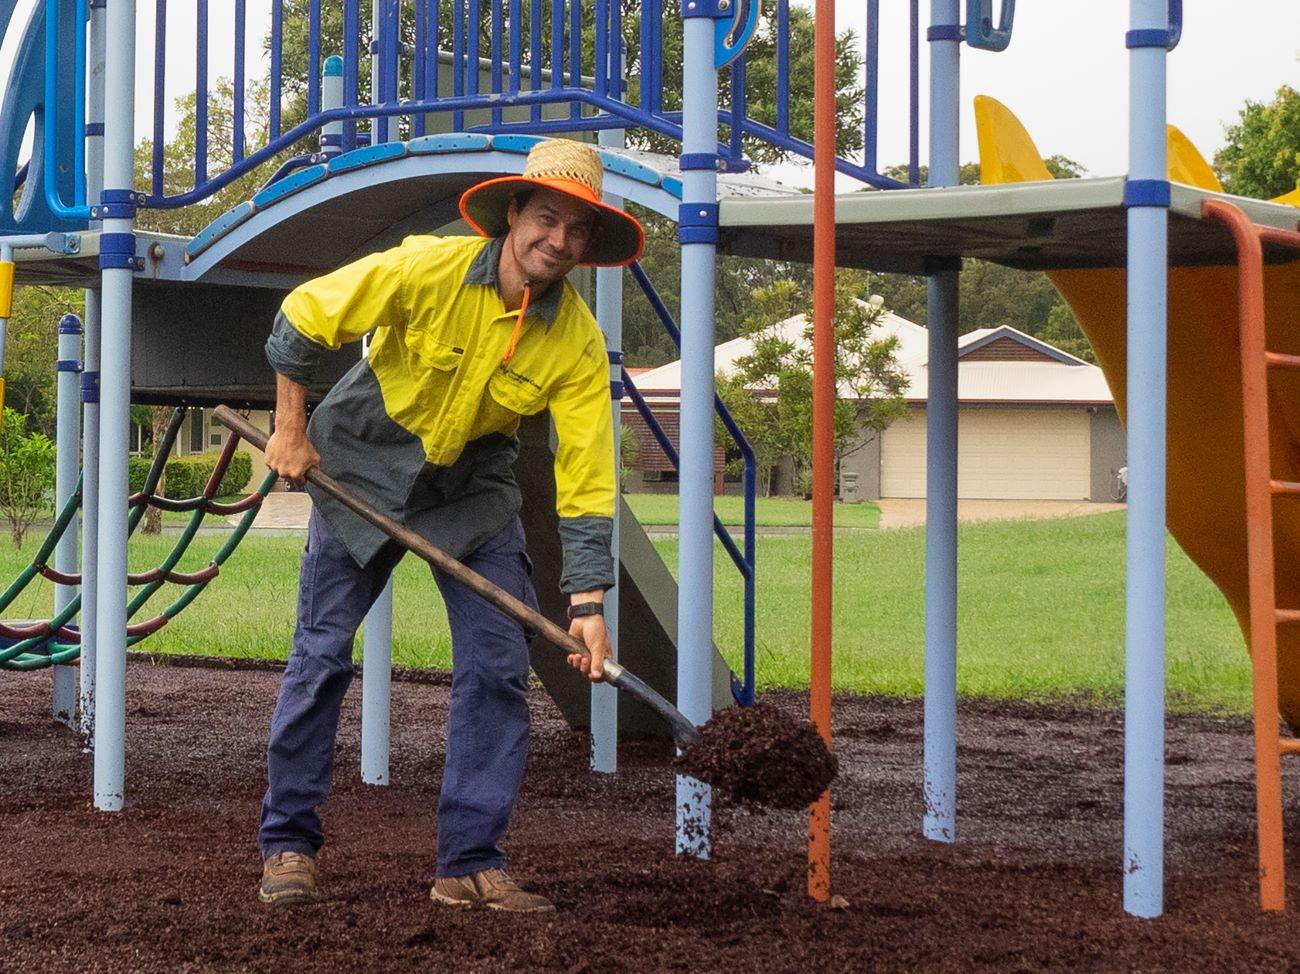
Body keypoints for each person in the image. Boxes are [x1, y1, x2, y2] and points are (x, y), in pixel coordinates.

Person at [255, 138, 644, 912]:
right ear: (512, 216)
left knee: (499, 668)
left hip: (472, 489)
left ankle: (469, 862)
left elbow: (588, 474)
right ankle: (288, 845)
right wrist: (291, 430)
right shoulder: (424, 267)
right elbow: (302, 318)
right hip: (363, 461)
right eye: (546, 219)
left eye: (576, 232)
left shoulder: (574, 342)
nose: (558, 242)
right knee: (322, 656)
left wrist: (591, 606)